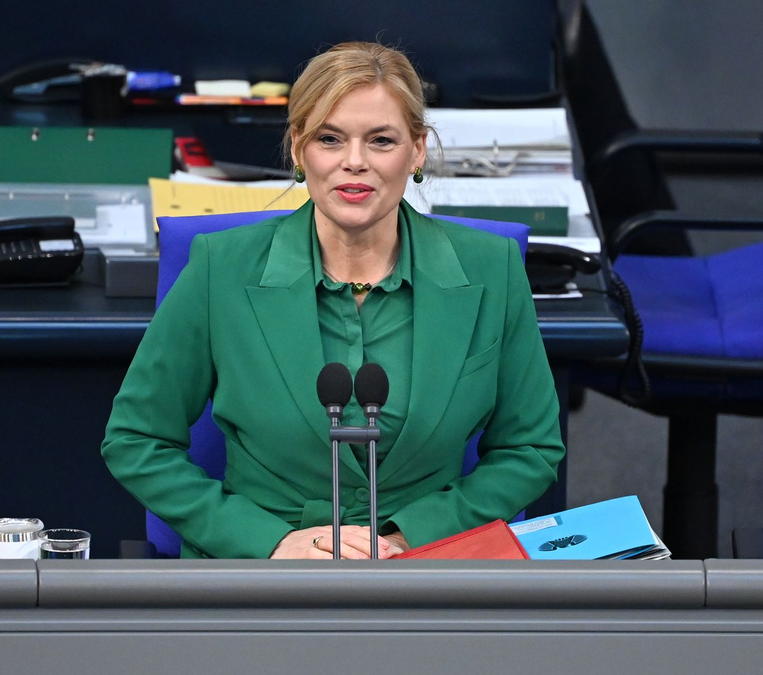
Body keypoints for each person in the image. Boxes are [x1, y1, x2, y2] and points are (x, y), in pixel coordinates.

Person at [101, 42, 564, 559]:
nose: (354, 162)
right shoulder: (220, 268)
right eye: (330, 138)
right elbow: (136, 441)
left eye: (381, 140)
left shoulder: (491, 269)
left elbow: (531, 448)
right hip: (260, 581)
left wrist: (414, 535)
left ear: (416, 151)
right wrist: (270, 542)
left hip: (425, 575)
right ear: (299, 149)